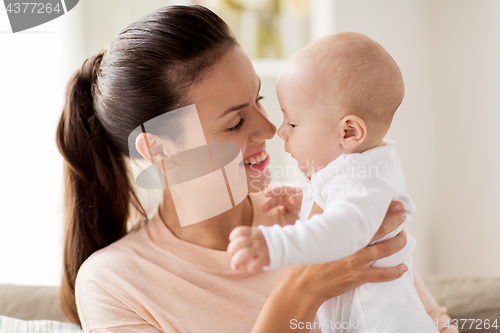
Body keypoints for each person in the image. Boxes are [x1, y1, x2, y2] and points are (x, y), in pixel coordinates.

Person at [55, 5, 456, 333]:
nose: (269, 129)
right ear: (159, 148)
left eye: (259, 100)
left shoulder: (320, 212)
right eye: (235, 122)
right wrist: (300, 293)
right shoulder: (116, 284)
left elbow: (433, 324)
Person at [227, 32, 438, 333]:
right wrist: (310, 198)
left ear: (349, 133)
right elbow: (344, 207)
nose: (280, 131)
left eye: (293, 122)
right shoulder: (359, 169)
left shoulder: (365, 181)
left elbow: (343, 229)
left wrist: (274, 244)